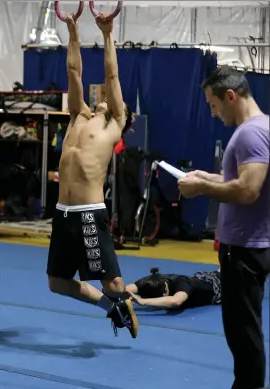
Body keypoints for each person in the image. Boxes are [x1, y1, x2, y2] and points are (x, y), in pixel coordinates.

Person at [177, 67, 269, 389]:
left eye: (214, 105)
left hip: (245, 249)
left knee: (245, 336)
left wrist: (201, 188)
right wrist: (209, 176)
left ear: (231, 97)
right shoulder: (263, 127)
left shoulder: (249, 134)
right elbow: (243, 178)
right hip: (252, 245)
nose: (214, 114)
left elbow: (248, 190)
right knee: (244, 334)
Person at [45, 14, 138, 338]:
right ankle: (110, 307)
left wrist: (107, 33)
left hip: (88, 214)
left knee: (113, 283)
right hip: (62, 213)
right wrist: (73, 31)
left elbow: (111, 74)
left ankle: (123, 302)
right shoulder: (78, 114)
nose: (103, 99)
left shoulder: (114, 122)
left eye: (112, 100)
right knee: (57, 282)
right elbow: (74, 71)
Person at [126, 267, 221, 310]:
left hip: (219, 286)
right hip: (205, 277)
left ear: (164, 293)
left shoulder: (183, 283)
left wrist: (143, 301)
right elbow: (124, 289)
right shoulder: (150, 281)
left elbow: (176, 301)